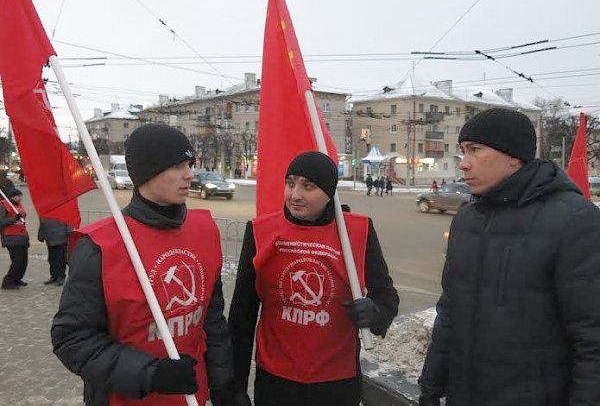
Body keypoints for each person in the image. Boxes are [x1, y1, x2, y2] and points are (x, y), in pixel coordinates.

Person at [419, 108, 600, 406]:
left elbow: (592, 338)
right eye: (463, 151)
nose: (463, 163)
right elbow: (450, 311)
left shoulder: (576, 221)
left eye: (476, 150)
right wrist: (431, 385)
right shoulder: (467, 219)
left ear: (513, 155)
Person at [51, 124, 234, 406]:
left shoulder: (205, 231)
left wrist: (225, 387)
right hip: (124, 399)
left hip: (191, 397)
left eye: (190, 163)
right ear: (146, 172)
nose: (189, 174)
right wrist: (151, 374)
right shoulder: (101, 245)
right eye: (176, 166)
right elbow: (72, 338)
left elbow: (212, 320)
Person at [229, 151, 399, 406]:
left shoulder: (357, 232)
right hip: (276, 379)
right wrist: (235, 390)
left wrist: (375, 312)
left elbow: (387, 297)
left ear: (329, 192)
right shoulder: (261, 232)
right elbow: (242, 317)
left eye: (308, 186)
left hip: (336, 381)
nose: (295, 194)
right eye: (290, 183)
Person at [0, 187, 29, 290]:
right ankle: (8, 282)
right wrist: (14, 219)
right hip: (11, 237)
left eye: (20, 196)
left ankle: (17, 279)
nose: (20, 198)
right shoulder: (3, 206)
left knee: (24, 261)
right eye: (18, 196)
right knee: (17, 262)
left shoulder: (18, 205)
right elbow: (1, 222)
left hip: (22, 237)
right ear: (12, 197)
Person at [38, 218, 71, 286]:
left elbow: (69, 224)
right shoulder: (44, 215)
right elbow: (42, 226)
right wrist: (40, 236)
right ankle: (54, 276)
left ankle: (60, 277)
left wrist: (69, 232)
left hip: (61, 238)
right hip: (50, 239)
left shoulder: (63, 212)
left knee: (60, 259)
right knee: (51, 259)